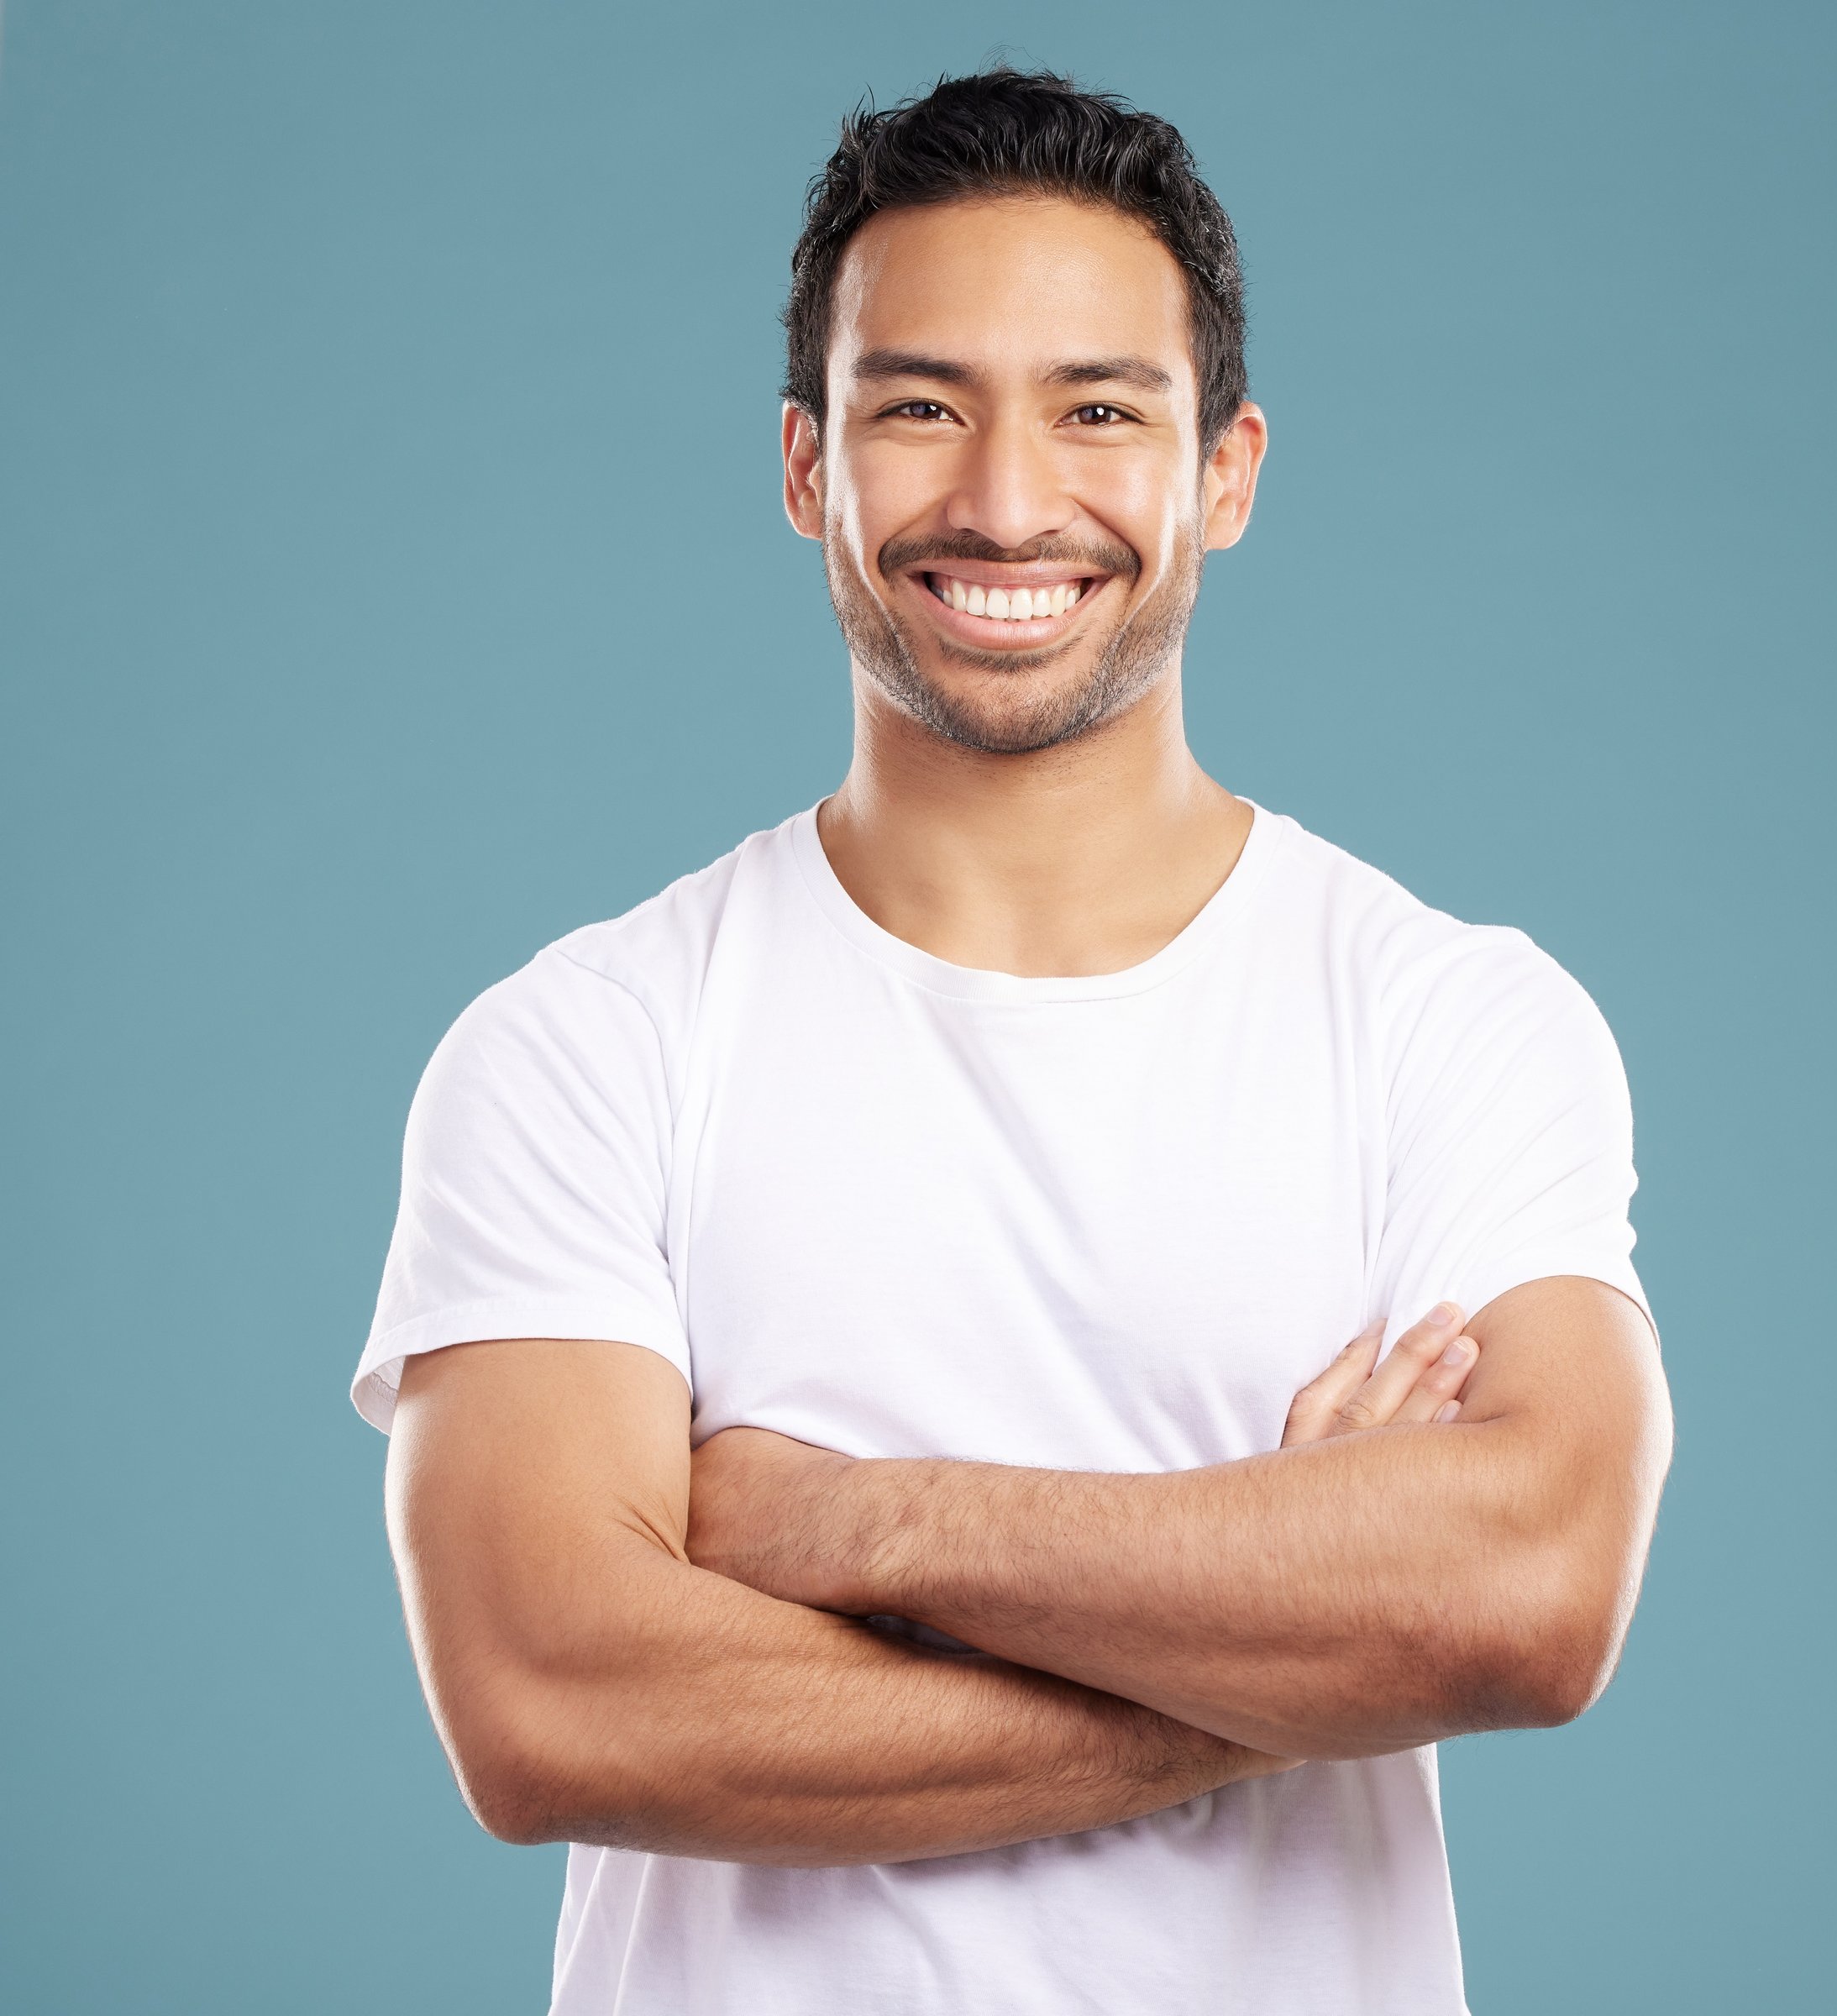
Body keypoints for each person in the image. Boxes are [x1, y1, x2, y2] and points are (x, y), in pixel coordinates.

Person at [354, 68, 1672, 2016]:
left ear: (1224, 471)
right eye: (917, 405)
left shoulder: (1447, 1019)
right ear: (808, 467)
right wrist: (1295, 1642)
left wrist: (838, 1521)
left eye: (1099, 409)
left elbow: (1535, 1597)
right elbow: (553, 1704)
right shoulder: (584, 1048)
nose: (1003, 499)